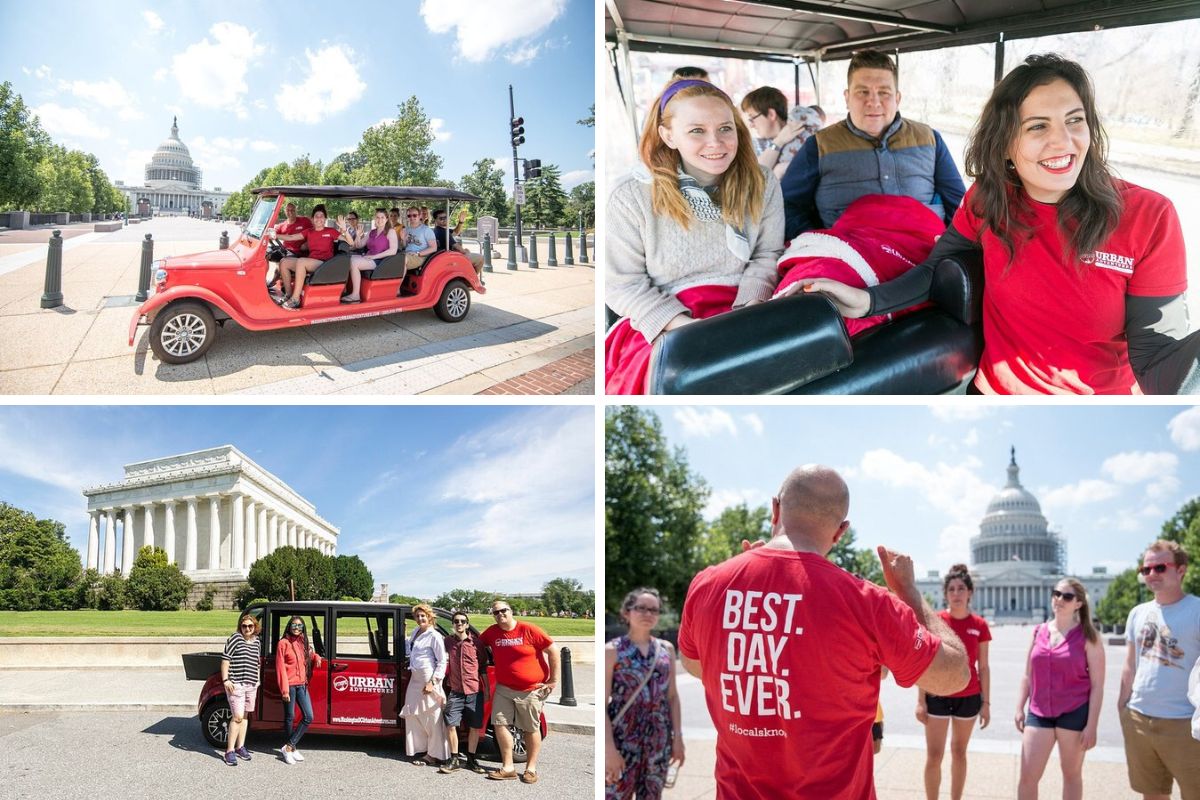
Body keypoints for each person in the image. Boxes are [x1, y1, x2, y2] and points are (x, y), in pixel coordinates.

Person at [794, 53, 1199, 394]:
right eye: (1038, 126)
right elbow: (937, 267)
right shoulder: (990, 199)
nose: (1064, 141)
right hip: (989, 395)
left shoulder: (1148, 216)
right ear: (1005, 142)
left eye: (1074, 121)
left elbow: (1159, 356)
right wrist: (867, 300)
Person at [676, 465, 969, 799]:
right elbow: (955, 675)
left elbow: (696, 665)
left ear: (775, 509)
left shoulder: (709, 584)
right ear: (840, 531)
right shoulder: (867, 603)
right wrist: (911, 595)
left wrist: (749, 613)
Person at [605, 78, 784, 394]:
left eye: (725, 129)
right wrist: (689, 329)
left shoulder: (762, 182)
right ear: (668, 135)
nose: (716, 142)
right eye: (697, 131)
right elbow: (622, 283)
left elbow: (766, 255)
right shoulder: (630, 196)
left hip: (747, 303)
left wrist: (746, 314)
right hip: (668, 317)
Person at [780, 49, 964, 239]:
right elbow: (786, 206)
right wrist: (816, 242)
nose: (873, 102)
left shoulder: (929, 139)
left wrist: (948, 249)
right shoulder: (819, 146)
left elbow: (960, 205)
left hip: (925, 253)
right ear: (847, 98)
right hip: (848, 257)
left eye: (884, 92)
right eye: (863, 92)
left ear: (897, 99)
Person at [1119, 540, 1200, 798]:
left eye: (1160, 567)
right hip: (1139, 717)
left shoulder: (1196, 610)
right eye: (1146, 569)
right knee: (1152, 793)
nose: (1152, 574)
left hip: (1184, 721)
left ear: (1181, 570)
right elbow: (1130, 664)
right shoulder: (1137, 613)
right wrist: (1123, 707)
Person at [1014, 579, 1105, 800]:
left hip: (1074, 712)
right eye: (1056, 594)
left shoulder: (1089, 637)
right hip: (1039, 711)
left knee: (1071, 775)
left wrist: (1092, 725)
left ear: (1079, 604)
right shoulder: (1038, 631)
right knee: (1027, 776)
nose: (1059, 599)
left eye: (1067, 596)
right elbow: (1028, 674)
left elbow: (1098, 685)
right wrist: (1019, 707)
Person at [917, 565, 991, 800]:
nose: (956, 593)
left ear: (970, 592)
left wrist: (986, 702)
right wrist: (921, 701)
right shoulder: (936, 621)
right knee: (934, 755)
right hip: (937, 695)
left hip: (968, 696)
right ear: (945, 593)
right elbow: (925, 663)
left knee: (959, 752)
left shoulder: (979, 625)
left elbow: (984, 666)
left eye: (961, 588)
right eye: (951, 589)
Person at [605, 588, 684, 800]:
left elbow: (672, 697)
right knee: (615, 794)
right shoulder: (612, 651)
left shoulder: (666, 649)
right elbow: (603, 704)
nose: (648, 614)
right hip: (622, 737)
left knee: (652, 795)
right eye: (641, 608)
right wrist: (609, 750)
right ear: (626, 612)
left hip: (658, 738)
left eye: (654, 610)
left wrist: (677, 738)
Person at [481, 599, 559, 783]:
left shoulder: (529, 629)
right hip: (503, 688)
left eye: (503, 610)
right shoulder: (492, 632)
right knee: (500, 724)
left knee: (530, 729)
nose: (500, 614)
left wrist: (553, 680)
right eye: (496, 612)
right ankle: (508, 767)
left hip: (530, 690)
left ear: (511, 610)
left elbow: (553, 651)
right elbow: (475, 644)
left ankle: (530, 769)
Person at [439, 610, 488, 774]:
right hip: (456, 691)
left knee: (474, 726)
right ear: (453, 624)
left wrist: (486, 689)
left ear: (467, 624)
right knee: (451, 724)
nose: (459, 624)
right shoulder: (447, 642)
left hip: (474, 691)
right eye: (456, 622)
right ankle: (454, 758)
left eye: (462, 621)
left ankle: (472, 759)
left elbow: (482, 668)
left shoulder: (476, 643)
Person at [401, 603, 450, 767]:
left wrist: (433, 682)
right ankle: (422, 748)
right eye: (417, 616)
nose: (420, 618)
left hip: (428, 681)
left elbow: (442, 661)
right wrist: (403, 633)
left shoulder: (434, 635)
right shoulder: (415, 632)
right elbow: (409, 651)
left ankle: (434, 754)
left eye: (423, 616)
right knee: (414, 715)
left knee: (432, 717)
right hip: (415, 680)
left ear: (429, 617)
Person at [741, 86, 822, 178]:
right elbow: (755, 176)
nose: (751, 125)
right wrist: (779, 141)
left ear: (771, 114)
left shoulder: (805, 132)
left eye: (752, 118)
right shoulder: (755, 144)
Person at [273, 204, 341, 309]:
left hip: (325, 263)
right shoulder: (309, 231)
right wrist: (275, 235)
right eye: (316, 216)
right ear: (313, 219)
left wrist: (344, 230)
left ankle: (296, 299)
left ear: (325, 218)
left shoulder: (331, 231)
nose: (319, 218)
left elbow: (350, 242)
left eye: (321, 216)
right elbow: (291, 237)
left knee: (302, 261)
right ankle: (289, 294)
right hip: (311, 261)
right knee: (284, 262)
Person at [277, 615, 321, 765]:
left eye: (299, 626)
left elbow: (308, 655)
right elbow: (280, 668)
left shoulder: (303, 641)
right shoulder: (283, 643)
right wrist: (284, 690)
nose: (297, 628)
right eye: (294, 625)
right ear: (289, 626)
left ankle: (289, 747)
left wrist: (316, 656)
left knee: (308, 716)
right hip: (289, 685)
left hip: (302, 684)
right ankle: (291, 748)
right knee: (289, 717)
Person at [220, 613, 261, 766]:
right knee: (236, 717)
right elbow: (225, 660)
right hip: (236, 684)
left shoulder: (257, 642)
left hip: (251, 684)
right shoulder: (235, 639)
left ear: (255, 627)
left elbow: (257, 662)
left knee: (244, 716)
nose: (247, 629)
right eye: (244, 626)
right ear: (240, 627)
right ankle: (229, 751)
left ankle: (240, 747)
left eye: (250, 626)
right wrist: (226, 679)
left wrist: (257, 680)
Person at [342, 208, 399, 304]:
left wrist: (375, 257)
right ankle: (343, 290)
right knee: (345, 259)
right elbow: (358, 245)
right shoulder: (371, 232)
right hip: (369, 258)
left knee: (354, 262)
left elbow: (393, 250)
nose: (379, 220)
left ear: (386, 219)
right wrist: (358, 235)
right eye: (377, 217)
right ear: (374, 218)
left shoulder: (390, 232)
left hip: (381, 261)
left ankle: (356, 295)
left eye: (382, 217)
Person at [433, 208, 485, 280]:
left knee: (468, 252)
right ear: (436, 220)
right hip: (449, 259)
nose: (444, 220)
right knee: (481, 258)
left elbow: (456, 232)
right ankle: (472, 279)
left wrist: (461, 222)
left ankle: (467, 276)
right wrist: (464, 251)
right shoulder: (443, 232)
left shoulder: (439, 230)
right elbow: (456, 246)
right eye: (441, 218)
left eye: (445, 217)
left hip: (446, 256)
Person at [401, 206, 438, 272]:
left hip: (420, 257)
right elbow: (404, 246)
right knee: (392, 258)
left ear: (420, 216)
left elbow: (434, 248)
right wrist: (403, 239)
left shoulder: (426, 230)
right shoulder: (406, 229)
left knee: (402, 260)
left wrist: (418, 253)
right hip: (407, 254)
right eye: (409, 216)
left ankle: (398, 282)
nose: (412, 217)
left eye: (414, 215)